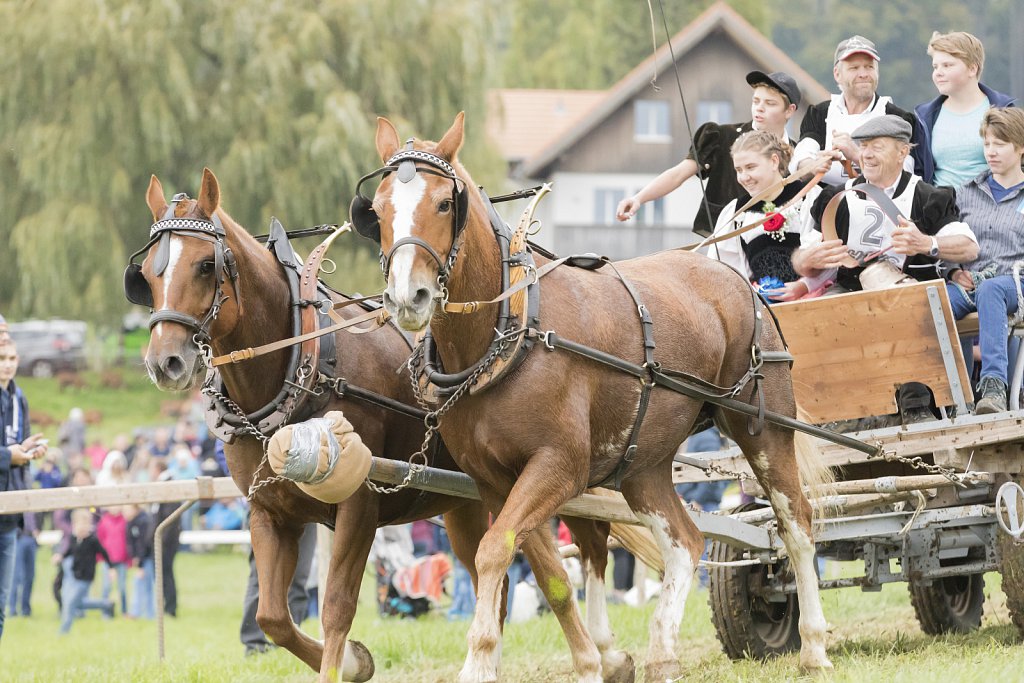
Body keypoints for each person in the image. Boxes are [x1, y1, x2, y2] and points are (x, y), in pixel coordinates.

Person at [793, 115, 979, 421]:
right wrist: (808, 260)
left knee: (905, 306)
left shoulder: (927, 196)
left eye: (876, 146)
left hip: (908, 294)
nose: (865, 154)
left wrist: (927, 243)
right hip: (851, 292)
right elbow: (804, 261)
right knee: (817, 316)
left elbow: (969, 247)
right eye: (863, 146)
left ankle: (916, 407)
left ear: (902, 152)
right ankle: (834, 415)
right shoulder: (837, 198)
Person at [616, 70, 802, 235]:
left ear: (789, 110)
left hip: (776, 244)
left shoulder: (800, 154)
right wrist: (638, 198)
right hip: (724, 243)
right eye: (756, 101)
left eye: (770, 103)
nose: (759, 108)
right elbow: (678, 174)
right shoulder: (721, 136)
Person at [945, 108, 1024, 413]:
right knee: (932, 301)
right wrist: (952, 272)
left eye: (1000, 144)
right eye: (987, 143)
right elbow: (948, 241)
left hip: (1015, 283)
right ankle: (950, 395)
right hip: (970, 283)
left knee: (992, 290)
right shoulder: (964, 193)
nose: (991, 152)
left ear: (1020, 147)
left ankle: (993, 388)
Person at [708, 130, 822, 300]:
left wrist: (804, 286)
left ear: (774, 161)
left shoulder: (808, 196)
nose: (744, 177)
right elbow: (724, 271)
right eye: (738, 170)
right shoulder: (736, 212)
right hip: (762, 306)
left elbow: (825, 255)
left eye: (751, 167)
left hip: (812, 298)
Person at [792, 36, 919, 186]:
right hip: (824, 205)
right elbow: (801, 158)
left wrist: (856, 155)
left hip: (875, 205)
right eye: (854, 68)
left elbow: (904, 176)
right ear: (837, 74)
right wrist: (813, 166)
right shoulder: (819, 113)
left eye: (869, 67)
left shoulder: (898, 119)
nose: (863, 74)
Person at [914, 31, 1015, 187]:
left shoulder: (1004, 110)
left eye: (947, 65)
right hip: (940, 209)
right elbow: (918, 173)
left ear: (972, 69)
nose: (938, 73)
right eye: (935, 66)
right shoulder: (924, 118)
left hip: (992, 207)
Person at [0, 327, 48, 642]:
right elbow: (8, 453)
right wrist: (9, 456)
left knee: (1, 608)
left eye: (13, 357)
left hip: (10, 516)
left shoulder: (19, 398)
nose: (8, 364)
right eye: (2, 358)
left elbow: (18, 448)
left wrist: (29, 453)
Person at [239, 523, 316, 655]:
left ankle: (291, 645)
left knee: (298, 579)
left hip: (311, 512)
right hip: (267, 508)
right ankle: (255, 645)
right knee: (263, 578)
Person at [55, 509, 116, 634]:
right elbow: (69, 552)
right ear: (74, 525)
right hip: (73, 575)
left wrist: (111, 568)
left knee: (71, 603)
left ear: (90, 526)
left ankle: (63, 631)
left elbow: (104, 553)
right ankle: (106, 604)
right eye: (79, 525)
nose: (82, 528)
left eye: (85, 525)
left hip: (85, 578)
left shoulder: (92, 540)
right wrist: (60, 556)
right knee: (78, 603)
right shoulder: (74, 538)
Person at [96, 505, 129, 616]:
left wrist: (128, 559)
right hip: (108, 561)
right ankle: (105, 612)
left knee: (122, 587)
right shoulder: (104, 521)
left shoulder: (125, 521)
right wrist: (101, 558)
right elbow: (100, 540)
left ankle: (124, 611)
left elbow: (127, 541)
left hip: (122, 560)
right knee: (106, 587)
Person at [125, 504, 155, 619]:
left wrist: (140, 564)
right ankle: (146, 613)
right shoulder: (131, 522)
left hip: (146, 559)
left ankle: (141, 613)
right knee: (143, 585)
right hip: (141, 559)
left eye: (127, 509)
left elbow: (144, 544)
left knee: (145, 585)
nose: (125, 513)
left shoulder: (143, 522)